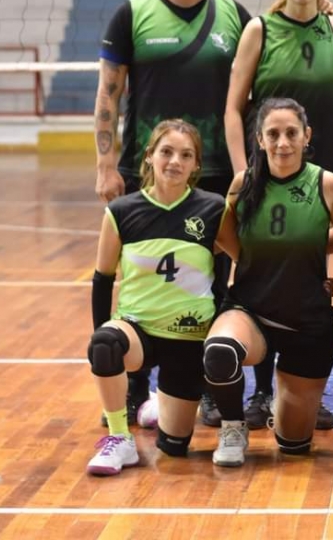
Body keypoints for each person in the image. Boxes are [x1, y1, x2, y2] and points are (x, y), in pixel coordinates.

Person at [93, 0, 252, 426]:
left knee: (213, 279)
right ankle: (132, 381)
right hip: (148, 169)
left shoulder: (234, 15)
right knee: (138, 276)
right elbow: (109, 93)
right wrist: (104, 163)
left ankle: (205, 379)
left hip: (215, 173)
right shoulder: (132, 14)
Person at [204, 98, 333, 468]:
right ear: (260, 139)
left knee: (294, 448)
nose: (282, 142)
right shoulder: (243, 183)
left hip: (308, 322)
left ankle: (285, 407)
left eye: (291, 133)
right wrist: (262, 260)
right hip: (251, 310)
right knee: (220, 350)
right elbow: (225, 236)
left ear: (306, 136)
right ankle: (233, 427)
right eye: (273, 134)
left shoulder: (325, 184)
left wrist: (305, 254)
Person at [223, 0, 333, 431]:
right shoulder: (260, 28)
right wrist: (244, 171)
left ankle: (302, 389)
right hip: (266, 166)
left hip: (319, 164)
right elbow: (234, 106)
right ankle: (259, 393)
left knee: (308, 268)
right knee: (263, 273)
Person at [86, 119, 236, 476]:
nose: (175, 162)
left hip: (189, 339)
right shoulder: (122, 212)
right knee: (105, 344)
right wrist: (103, 340)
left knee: (174, 448)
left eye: (186, 155)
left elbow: (244, 263)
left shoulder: (213, 209)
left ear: (196, 165)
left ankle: (158, 405)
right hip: (137, 333)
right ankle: (120, 439)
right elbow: (102, 278)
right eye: (166, 152)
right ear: (150, 156)